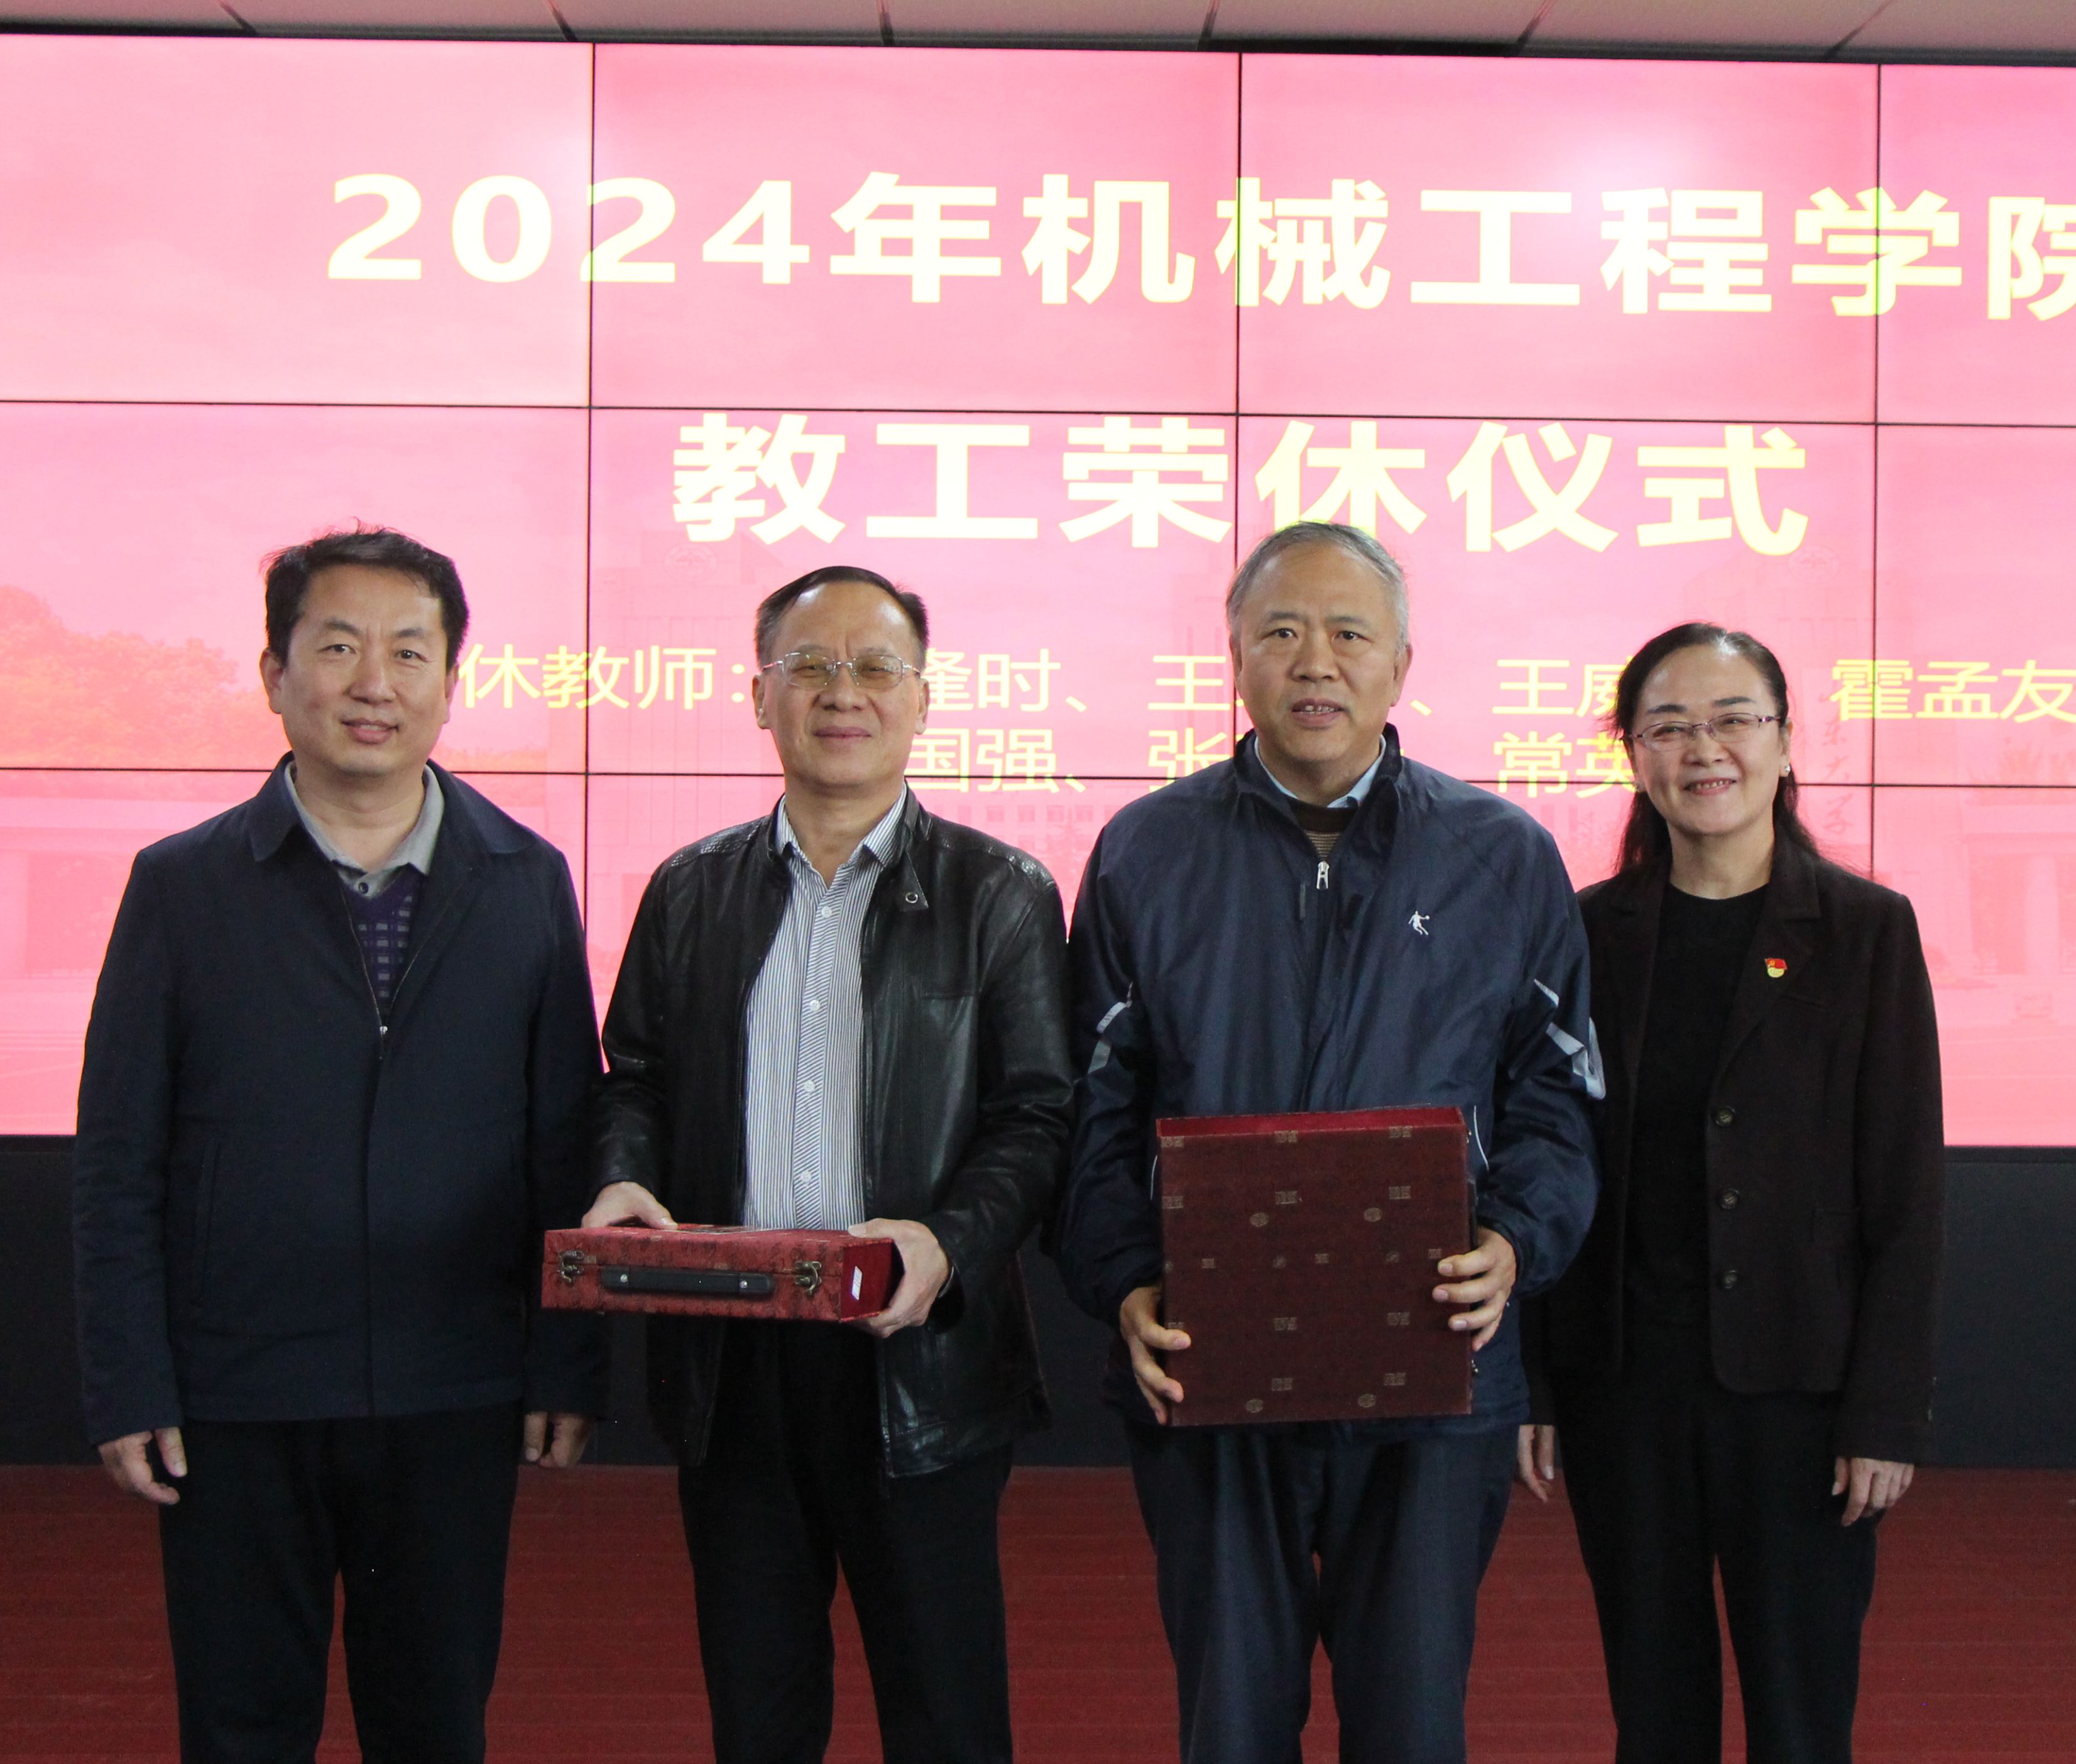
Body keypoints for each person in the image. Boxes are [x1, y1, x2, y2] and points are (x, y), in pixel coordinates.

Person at [1057, 520, 1602, 1764]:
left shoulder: (1501, 854)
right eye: (1283, 631)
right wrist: (1125, 1278)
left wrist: (1517, 1241)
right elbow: (1094, 1104)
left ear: (1400, 663)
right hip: (1210, 1365)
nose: (1316, 660)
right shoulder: (1146, 848)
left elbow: (1556, 1096)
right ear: (1235, 658)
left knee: (1411, 1723)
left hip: (1434, 1370)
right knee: (1231, 1722)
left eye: (1350, 632)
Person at [74, 525, 604, 1764]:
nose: (376, 681)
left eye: (410, 651)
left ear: (451, 682)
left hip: (453, 1385)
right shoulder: (184, 886)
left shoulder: (525, 879)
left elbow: (562, 1141)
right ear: (274, 672)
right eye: (338, 646)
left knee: (434, 1722)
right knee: (241, 1723)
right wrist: (130, 1380)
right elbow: (118, 1157)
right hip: (237, 1390)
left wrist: (566, 1363)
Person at [584, 564, 1073, 1764]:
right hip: (734, 1358)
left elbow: (1038, 1115)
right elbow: (634, 1075)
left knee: (946, 1715)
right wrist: (625, 1172)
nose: (841, 692)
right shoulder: (689, 889)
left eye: (874, 667)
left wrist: (946, 1242)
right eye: (808, 665)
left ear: (923, 698)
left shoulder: (1001, 893)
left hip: (917, 1360)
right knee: (759, 1714)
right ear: (759, 695)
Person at [1521, 622, 1945, 1764]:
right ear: (1633, 753)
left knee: (1802, 1718)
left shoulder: (1864, 931)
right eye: (1668, 726)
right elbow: (1546, 1155)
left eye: (1732, 720)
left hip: (1800, 1394)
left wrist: (1884, 1413)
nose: (1702, 749)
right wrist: (1539, 1379)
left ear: (1786, 739)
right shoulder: (1584, 932)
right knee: (1654, 1711)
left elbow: (1906, 1190)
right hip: (1626, 1390)